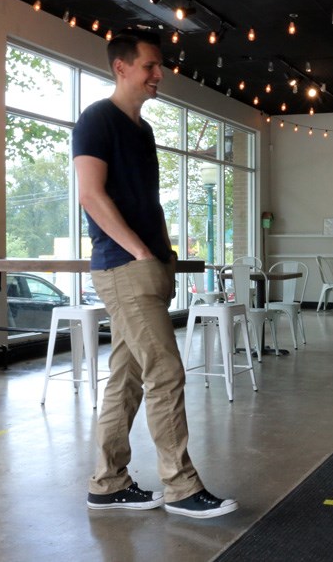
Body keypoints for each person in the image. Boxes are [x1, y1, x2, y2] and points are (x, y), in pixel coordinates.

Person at [73, 29, 237, 519]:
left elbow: (144, 200)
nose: (159, 75)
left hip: (148, 265)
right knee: (165, 372)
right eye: (150, 66)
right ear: (121, 67)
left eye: (159, 66)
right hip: (124, 267)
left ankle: (107, 482)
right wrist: (141, 252)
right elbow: (90, 195)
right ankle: (182, 487)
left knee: (127, 379)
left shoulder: (141, 130)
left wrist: (161, 254)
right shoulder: (95, 120)